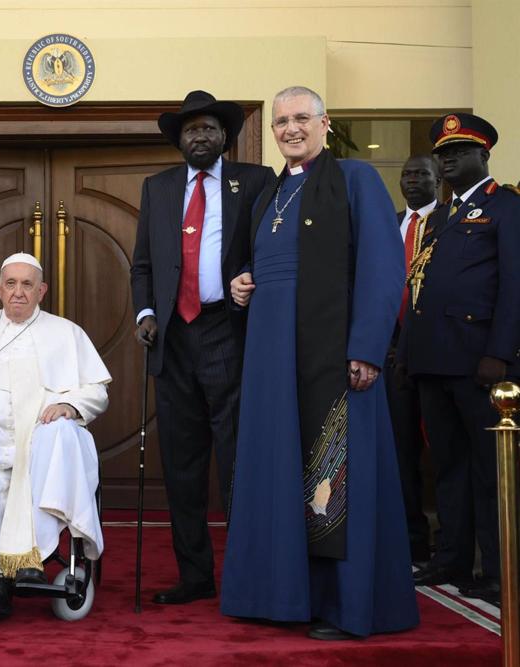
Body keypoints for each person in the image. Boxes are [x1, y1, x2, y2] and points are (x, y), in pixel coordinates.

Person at [220, 86, 419, 639]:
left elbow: (384, 266)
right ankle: (280, 595)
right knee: (276, 465)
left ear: (325, 123)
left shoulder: (355, 179)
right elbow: (263, 262)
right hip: (271, 356)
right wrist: (242, 282)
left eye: (301, 118)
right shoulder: (268, 193)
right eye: (281, 121)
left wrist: (367, 348)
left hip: (332, 356)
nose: (290, 128)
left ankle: (342, 605)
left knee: (333, 469)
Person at [130, 90, 275, 605]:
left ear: (224, 136)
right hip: (173, 340)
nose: (200, 136)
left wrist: (250, 275)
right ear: (179, 140)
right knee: (182, 466)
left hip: (228, 331)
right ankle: (194, 576)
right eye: (191, 130)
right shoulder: (159, 187)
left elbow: (272, 248)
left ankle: (247, 575)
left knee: (238, 461)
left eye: (209, 128)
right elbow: (143, 264)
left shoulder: (256, 181)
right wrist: (146, 314)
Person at [0, 253, 110, 619]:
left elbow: (97, 390)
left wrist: (70, 404)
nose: (18, 292)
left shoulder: (67, 332)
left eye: (28, 285)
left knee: (59, 436)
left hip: (41, 433)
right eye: (10, 284)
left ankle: (31, 560)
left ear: (42, 291)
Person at [402, 113, 520, 606]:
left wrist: (500, 352)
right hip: (434, 361)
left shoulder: (506, 207)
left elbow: (514, 285)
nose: (448, 160)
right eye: (443, 154)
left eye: (459, 152)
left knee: (490, 471)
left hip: (479, 362)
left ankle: (496, 570)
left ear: (484, 155)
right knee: (448, 466)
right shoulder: (441, 216)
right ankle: (451, 559)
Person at [387, 155, 440, 565]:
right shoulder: (389, 224)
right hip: (393, 357)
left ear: (438, 180)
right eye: (407, 174)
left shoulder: (452, 221)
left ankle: (455, 545)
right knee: (402, 454)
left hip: (440, 354)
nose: (413, 180)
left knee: (446, 453)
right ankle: (413, 541)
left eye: (422, 174)